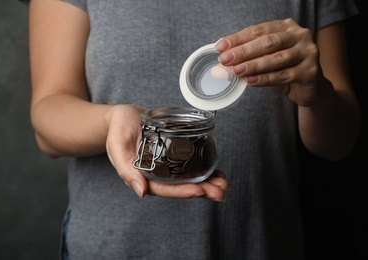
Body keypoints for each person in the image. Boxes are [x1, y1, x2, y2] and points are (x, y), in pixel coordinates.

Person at [21, 0, 361, 259]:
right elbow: (48, 118)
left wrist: (317, 95)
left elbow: (338, 144)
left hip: (260, 241)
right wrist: (112, 121)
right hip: (113, 246)